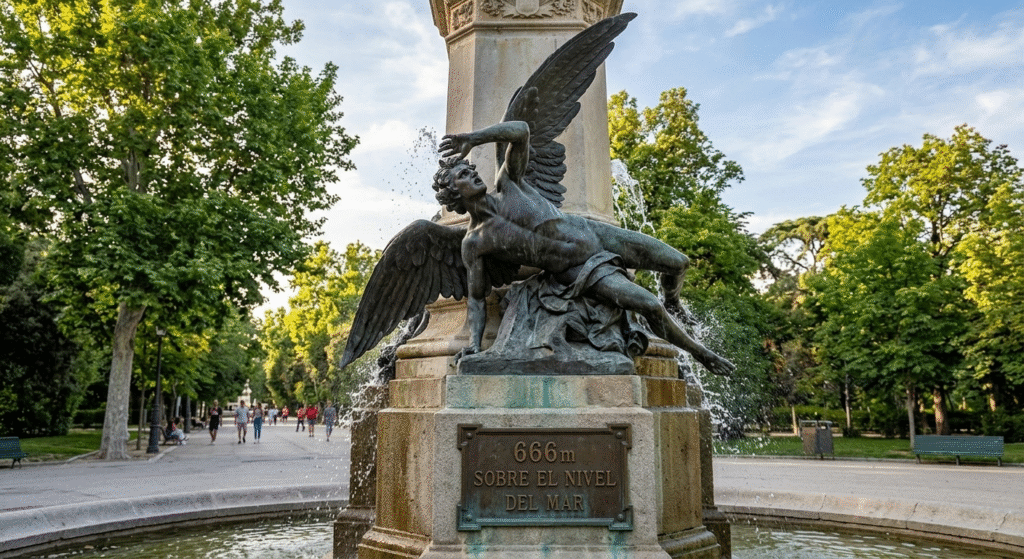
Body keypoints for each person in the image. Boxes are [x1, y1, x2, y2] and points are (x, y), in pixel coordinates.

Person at [435, 123, 735, 377]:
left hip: (598, 234)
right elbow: (476, 298)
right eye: (462, 175)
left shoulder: (510, 183)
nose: (473, 173)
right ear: (453, 194)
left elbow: (521, 130)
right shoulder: (475, 242)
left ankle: (674, 302)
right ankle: (702, 354)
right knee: (648, 305)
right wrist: (474, 343)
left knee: (679, 263)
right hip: (582, 271)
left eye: (469, 168)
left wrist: (473, 139)